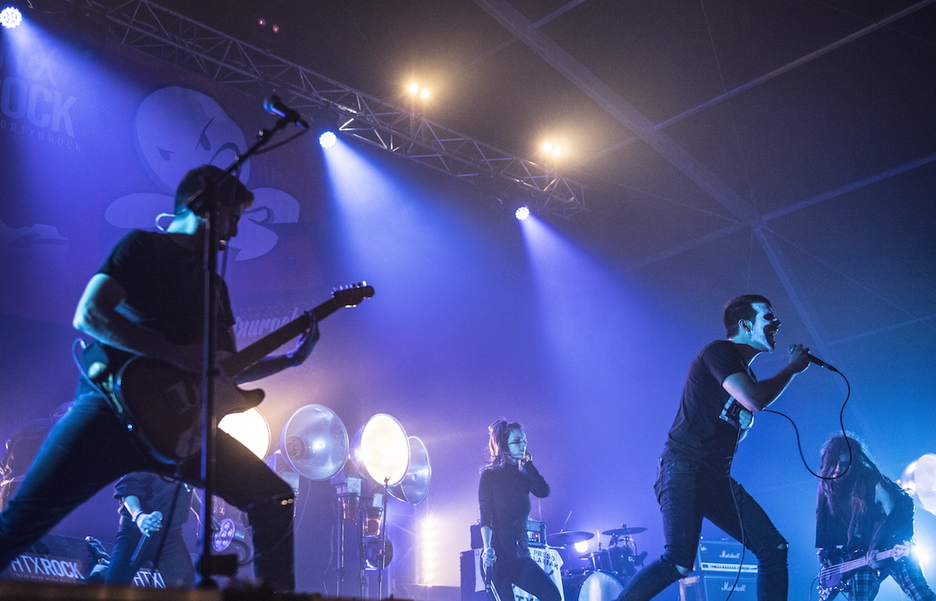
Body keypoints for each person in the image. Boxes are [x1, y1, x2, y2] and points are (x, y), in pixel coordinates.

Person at [0, 165, 319, 591]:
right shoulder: (142, 248)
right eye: (232, 216)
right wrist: (173, 353)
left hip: (179, 430)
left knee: (272, 495)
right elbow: (90, 313)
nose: (236, 230)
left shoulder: (215, 286)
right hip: (111, 411)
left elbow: (224, 366)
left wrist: (290, 361)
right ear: (202, 205)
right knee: (23, 521)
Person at [618, 294, 811, 601]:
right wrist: (792, 368)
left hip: (715, 478)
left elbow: (736, 421)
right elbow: (756, 399)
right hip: (684, 467)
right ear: (746, 325)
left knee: (774, 547)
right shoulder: (719, 351)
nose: (777, 323)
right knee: (678, 563)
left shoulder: (745, 373)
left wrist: (743, 426)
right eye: (768, 318)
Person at [815, 434, 935, 601]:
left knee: (921, 594)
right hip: (862, 555)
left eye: (843, 464)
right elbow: (823, 518)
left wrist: (877, 545)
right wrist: (827, 550)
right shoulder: (827, 487)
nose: (838, 470)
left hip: (894, 547)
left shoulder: (871, 480)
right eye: (834, 464)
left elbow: (894, 516)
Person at [478, 419, 560, 601]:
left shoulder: (523, 476)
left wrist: (529, 464)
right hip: (497, 557)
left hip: (520, 556)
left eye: (524, 441)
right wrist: (487, 548)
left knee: (552, 595)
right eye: (516, 441)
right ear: (503, 444)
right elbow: (486, 514)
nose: (522, 445)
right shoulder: (490, 475)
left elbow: (543, 491)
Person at [105, 472, 196, 587]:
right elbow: (128, 489)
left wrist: (201, 512)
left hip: (170, 537)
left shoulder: (185, 463)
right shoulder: (149, 458)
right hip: (134, 535)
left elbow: (186, 488)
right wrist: (139, 516)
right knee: (115, 586)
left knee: (187, 589)